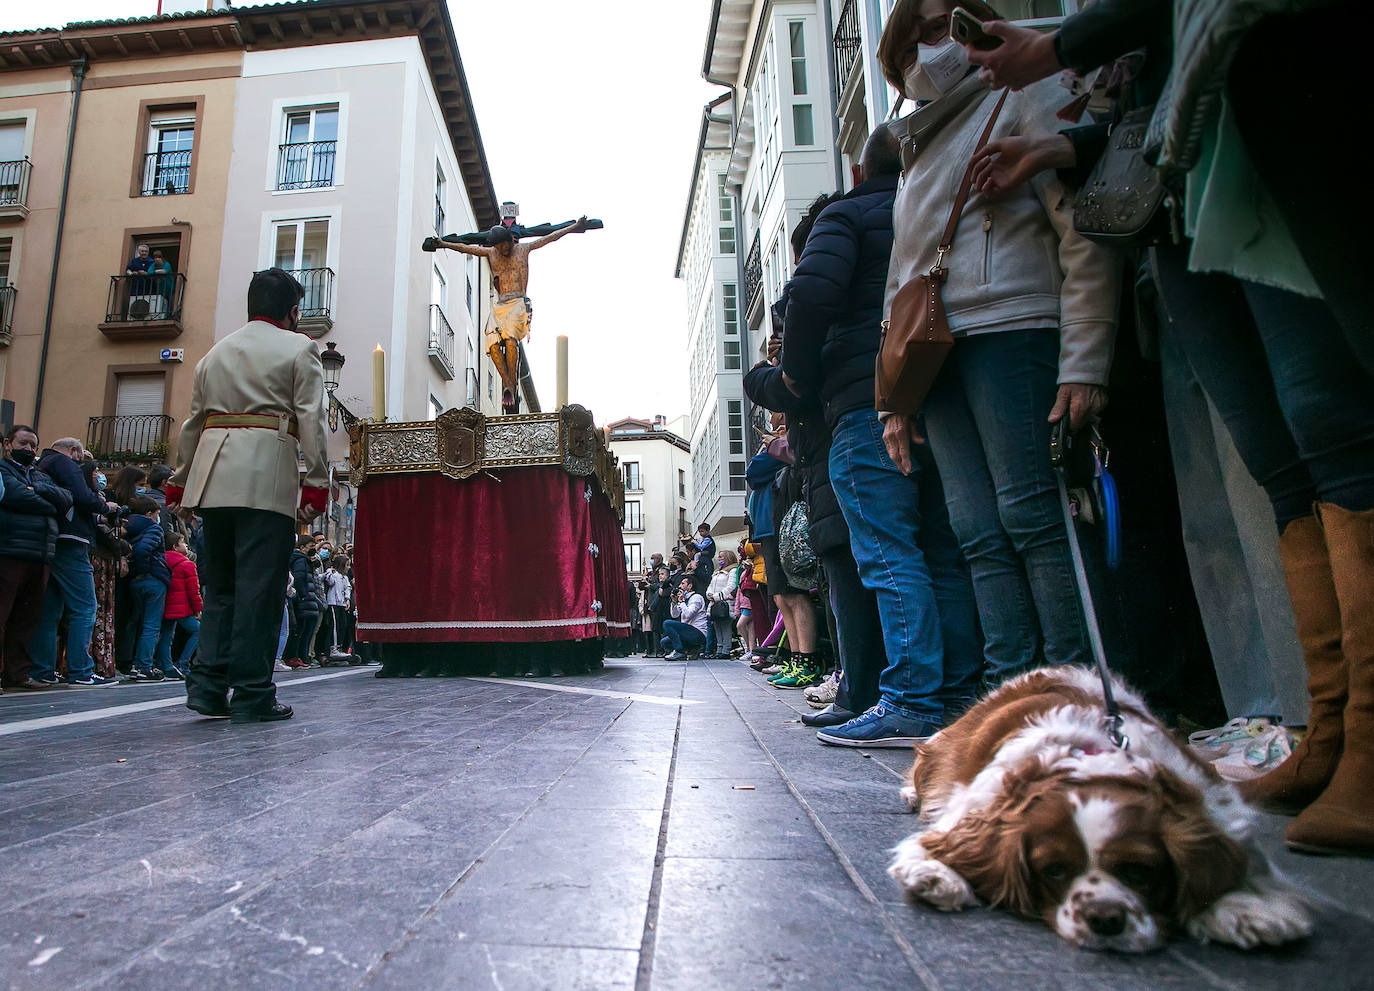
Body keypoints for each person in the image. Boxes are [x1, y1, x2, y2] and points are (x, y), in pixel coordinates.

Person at [876, 0, 1119, 691]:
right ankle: (1011, 695)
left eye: (943, 27)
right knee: (978, 531)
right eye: (914, 41)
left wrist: (1085, 357)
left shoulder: (1021, 90)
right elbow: (902, 279)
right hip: (938, 354)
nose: (932, 49)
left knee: (1034, 516)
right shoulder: (916, 148)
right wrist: (894, 400)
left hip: (1016, 328)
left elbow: (1082, 228)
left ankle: (1074, 696)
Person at [165, 267, 328, 722]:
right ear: (293, 312)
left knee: (220, 588)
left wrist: (180, 479)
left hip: (215, 478)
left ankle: (208, 687)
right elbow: (311, 419)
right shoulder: (300, 348)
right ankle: (254, 693)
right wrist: (316, 482)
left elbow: (193, 423)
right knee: (261, 589)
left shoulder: (215, 354)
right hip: (265, 475)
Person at [428, 217, 591, 407]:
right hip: (500, 305)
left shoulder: (523, 249)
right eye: (498, 247)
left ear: (509, 240)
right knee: (492, 343)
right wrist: (441, 244)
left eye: (504, 245)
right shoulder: (491, 253)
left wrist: (575, 226)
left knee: (510, 339)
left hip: (517, 302)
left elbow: (551, 236)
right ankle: (508, 383)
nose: (502, 250)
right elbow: (466, 248)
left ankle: (510, 385)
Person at [28, 438, 120, 687]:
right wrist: (105, 505)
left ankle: (43, 669)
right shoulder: (65, 462)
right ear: (75, 451)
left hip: (53, 539)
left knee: (50, 611)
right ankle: (81, 670)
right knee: (85, 608)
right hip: (73, 538)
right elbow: (82, 496)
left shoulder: (43, 466)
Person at [0, 426, 72, 693]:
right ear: (8, 444)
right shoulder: (3, 471)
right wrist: (45, 500)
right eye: (24, 444)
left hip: (40, 554)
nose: (29, 450)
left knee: (27, 618)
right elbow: (14, 494)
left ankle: (17, 674)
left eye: (33, 445)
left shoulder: (39, 475)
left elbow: (66, 499)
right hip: (9, 551)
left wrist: (36, 491)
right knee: (3, 614)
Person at [124, 495, 171, 681]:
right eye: (157, 513)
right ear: (149, 513)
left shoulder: (129, 527)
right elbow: (143, 550)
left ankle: (132, 663)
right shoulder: (152, 528)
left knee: (136, 622)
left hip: (134, 580)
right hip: (152, 578)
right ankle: (144, 665)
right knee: (151, 625)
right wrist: (146, 570)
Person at [156, 531, 201, 679]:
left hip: (164, 604)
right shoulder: (186, 564)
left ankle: (165, 664)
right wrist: (198, 609)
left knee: (166, 636)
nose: (186, 545)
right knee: (199, 631)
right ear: (175, 547)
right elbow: (193, 590)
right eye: (183, 543)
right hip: (181, 607)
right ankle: (184, 662)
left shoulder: (161, 560)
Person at [287, 535, 322, 670]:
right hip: (304, 600)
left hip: (308, 599)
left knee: (307, 631)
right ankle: (297, 656)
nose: (313, 549)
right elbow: (300, 578)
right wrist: (303, 595)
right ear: (302, 548)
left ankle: (303, 656)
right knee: (301, 631)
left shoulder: (306, 561)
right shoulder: (301, 561)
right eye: (311, 547)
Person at [661, 577, 708, 660]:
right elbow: (674, 615)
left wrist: (682, 602)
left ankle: (680, 651)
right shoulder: (684, 599)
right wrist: (674, 602)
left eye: (682, 584)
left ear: (690, 586)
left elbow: (688, 614)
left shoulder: (696, 597)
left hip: (698, 632)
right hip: (688, 631)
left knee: (667, 623)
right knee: (664, 642)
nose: (679, 586)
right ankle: (691, 650)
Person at [705, 550, 739, 659]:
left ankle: (726, 650)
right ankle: (719, 649)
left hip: (725, 604)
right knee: (717, 627)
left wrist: (716, 597)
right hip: (714, 604)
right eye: (718, 557)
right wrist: (709, 594)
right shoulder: (717, 572)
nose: (719, 559)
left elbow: (731, 587)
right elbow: (710, 586)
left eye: (721, 557)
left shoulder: (732, 571)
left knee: (725, 627)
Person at [323, 553, 353, 660]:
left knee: (342, 625)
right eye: (347, 565)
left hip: (341, 604)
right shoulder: (334, 575)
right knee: (334, 626)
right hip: (333, 603)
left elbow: (348, 588)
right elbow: (329, 582)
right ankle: (333, 648)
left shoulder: (344, 578)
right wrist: (330, 572)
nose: (348, 568)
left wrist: (347, 599)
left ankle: (339, 647)